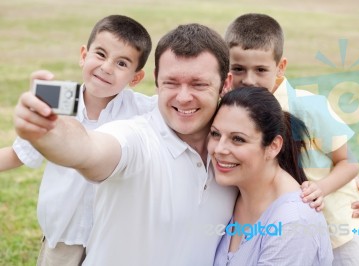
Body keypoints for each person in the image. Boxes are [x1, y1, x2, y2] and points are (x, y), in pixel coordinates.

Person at [14, 23, 238, 266]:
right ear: (156, 80)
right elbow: (89, 149)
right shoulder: (136, 136)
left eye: (198, 84)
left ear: (226, 83)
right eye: (171, 83)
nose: (183, 97)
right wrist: (49, 132)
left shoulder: (235, 151)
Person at [224, 13, 359, 265]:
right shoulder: (229, 110)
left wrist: (322, 187)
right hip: (286, 231)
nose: (249, 79)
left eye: (261, 70)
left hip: (340, 231)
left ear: (280, 67)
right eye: (238, 68)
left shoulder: (309, 107)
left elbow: (349, 162)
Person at [3, 14, 156, 265]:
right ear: (83, 55)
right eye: (100, 54)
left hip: (114, 239)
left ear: (136, 78)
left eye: (122, 63)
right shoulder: (57, 100)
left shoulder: (142, 110)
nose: (107, 67)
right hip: (63, 236)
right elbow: (18, 153)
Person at [210, 86, 333, 265]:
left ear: (274, 146)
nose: (219, 149)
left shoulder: (292, 223)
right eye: (215, 134)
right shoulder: (233, 191)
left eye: (238, 139)